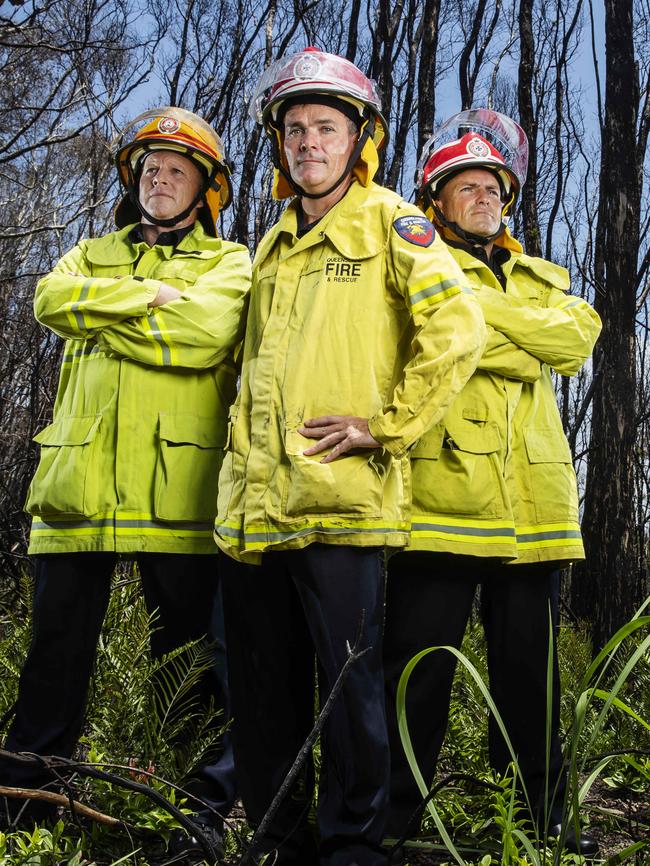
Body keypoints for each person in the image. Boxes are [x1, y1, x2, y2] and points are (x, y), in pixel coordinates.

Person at [213, 48, 486, 866]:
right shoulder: (268, 244)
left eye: (325, 128)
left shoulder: (394, 222)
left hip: (341, 503)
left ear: (357, 137)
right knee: (264, 695)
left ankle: (354, 850)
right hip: (254, 510)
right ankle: (277, 842)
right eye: (294, 130)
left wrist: (387, 425)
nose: (307, 143)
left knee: (348, 693)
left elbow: (458, 328)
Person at [0, 107, 251, 857]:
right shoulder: (86, 252)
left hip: (179, 492)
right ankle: (25, 805)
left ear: (206, 187)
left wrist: (100, 313)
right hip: (75, 490)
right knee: (53, 661)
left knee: (188, 669)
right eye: (149, 167)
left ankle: (189, 811)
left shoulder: (228, 265)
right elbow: (50, 300)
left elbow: (206, 333)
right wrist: (146, 299)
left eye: (177, 168)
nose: (160, 177)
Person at [383, 109, 602, 857]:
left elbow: (575, 340)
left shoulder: (545, 276)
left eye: (493, 187)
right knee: (417, 674)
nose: (483, 198)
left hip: (535, 505)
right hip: (440, 498)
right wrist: (520, 333)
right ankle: (394, 818)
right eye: (466, 186)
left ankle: (540, 822)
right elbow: (439, 345)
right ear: (435, 198)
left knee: (530, 682)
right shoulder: (413, 266)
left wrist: (479, 318)